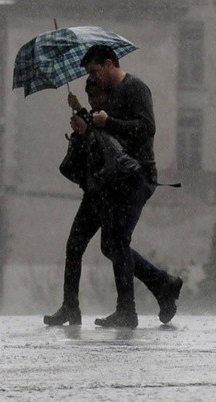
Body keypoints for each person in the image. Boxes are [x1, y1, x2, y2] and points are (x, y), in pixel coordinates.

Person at [78, 44, 183, 329]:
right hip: (118, 179)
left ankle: (129, 310)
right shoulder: (109, 97)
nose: (93, 77)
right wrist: (86, 125)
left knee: (117, 242)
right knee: (111, 244)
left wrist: (109, 121)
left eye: (95, 70)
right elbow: (109, 140)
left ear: (110, 64)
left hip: (138, 175)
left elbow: (147, 128)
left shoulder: (136, 88)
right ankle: (163, 285)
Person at [43, 80, 112, 326]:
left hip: (110, 194)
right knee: (74, 247)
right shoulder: (91, 117)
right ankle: (70, 306)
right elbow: (86, 155)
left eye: (96, 95)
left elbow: (108, 147)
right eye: (89, 96)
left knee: (116, 249)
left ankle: (156, 286)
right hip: (92, 194)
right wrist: (79, 131)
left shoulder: (110, 116)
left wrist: (87, 129)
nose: (93, 100)